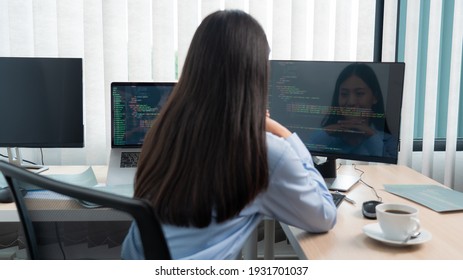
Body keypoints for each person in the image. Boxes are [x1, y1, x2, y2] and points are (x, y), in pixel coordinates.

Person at [121, 9, 336, 260]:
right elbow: (323, 217)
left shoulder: (165, 130)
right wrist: (285, 134)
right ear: (256, 74)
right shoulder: (264, 153)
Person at [309, 63, 398, 158]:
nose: (351, 102)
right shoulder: (325, 138)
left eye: (359, 93)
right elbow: (304, 161)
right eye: (344, 94)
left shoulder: (388, 141)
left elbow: (388, 169)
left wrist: (371, 135)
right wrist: (329, 130)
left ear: (375, 97)